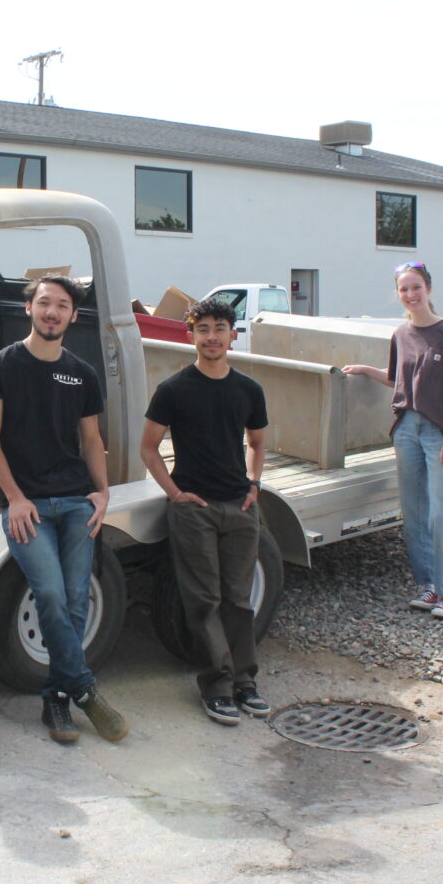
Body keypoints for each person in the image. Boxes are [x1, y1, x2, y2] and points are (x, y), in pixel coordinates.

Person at [0, 276, 128, 744]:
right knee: (52, 595)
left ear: (72, 317)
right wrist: (16, 498)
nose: (52, 312)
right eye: (44, 303)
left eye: (62, 306)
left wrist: (102, 493)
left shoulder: (81, 373)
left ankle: (57, 698)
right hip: (29, 509)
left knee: (79, 598)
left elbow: (91, 440)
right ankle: (83, 688)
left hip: (77, 502)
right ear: (29, 309)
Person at [140, 297, 272, 725]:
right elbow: (148, 447)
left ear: (232, 335)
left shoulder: (248, 390)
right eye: (203, 329)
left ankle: (245, 682)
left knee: (238, 599)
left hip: (240, 505)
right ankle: (217, 687)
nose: (211, 336)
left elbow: (256, 443)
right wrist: (175, 494)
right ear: (190, 335)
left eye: (219, 328)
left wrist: (254, 485)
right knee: (204, 601)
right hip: (194, 509)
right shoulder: (173, 390)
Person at [342, 262, 443, 619]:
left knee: (441, 514)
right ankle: (427, 586)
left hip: (438, 432)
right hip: (406, 431)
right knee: (414, 513)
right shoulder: (400, 334)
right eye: (404, 290)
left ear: (428, 289)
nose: (411, 295)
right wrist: (367, 371)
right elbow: (398, 379)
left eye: (416, 287)